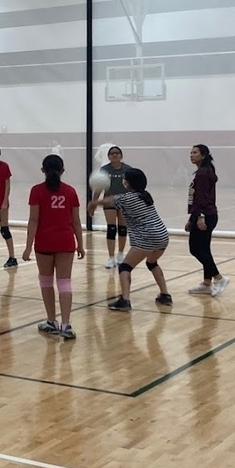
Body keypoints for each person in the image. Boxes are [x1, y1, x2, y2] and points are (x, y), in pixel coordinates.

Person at [88, 168, 172, 311]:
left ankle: (125, 300)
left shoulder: (127, 198)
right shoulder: (145, 195)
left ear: (129, 182)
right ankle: (165, 295)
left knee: (125, 267)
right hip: (162, 235)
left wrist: (93, 203)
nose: (123, 180)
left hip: (147, 237)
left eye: (125, 179)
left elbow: (109, 200)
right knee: (152, 263)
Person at [22, 154, 84, 340]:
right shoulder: (71, 191)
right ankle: (66, 325)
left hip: (44, 242)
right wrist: (80, 244)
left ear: (43, 170)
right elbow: (76, 221)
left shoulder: (36, 191)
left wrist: (27, 247)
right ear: (63, 170)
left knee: (46, 281)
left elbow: (33, 220)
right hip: (66, 242)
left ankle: (51, 321)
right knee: (65, 282)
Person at [187, 144, 229, 296]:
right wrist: (192, 219)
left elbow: (202, 197)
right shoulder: (203, 171)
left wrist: (200, 217)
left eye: (195, 153)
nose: (191, 155)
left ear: (203, 155)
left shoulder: (203, 173)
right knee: (204, 249)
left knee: (195, 248)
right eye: (191, 153)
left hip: (206, 215)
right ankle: (207, 283)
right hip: (203, 214)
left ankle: (219, 278)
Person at [92, 145, 132, 269]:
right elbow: (98, 188)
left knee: (122, 228)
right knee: (111, 228)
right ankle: (110, 257)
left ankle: (120, 254)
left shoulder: (128, 169)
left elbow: (133, 187)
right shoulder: (104, 170)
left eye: (117, 153)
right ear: (109, 157)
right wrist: (94, 203)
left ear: (121, 155)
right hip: (109, 202)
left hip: (124, 202)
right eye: (112, 153)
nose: (114, 155)